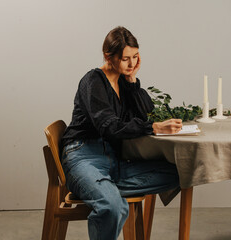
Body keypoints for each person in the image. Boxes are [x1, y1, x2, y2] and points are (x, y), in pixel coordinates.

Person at [61, 26, 183, 240]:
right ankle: (106, 193)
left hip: (116, 161)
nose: (132, 63)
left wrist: (132, 82)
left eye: (136, 57)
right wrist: (153, 127)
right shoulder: (93, 81)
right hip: (84, 156)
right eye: (126, 58)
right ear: (108, 56)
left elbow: (147, 114)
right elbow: (110, 127)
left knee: (182, 172)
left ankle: (105, 188)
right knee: (113, 207)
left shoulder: (123, 81)